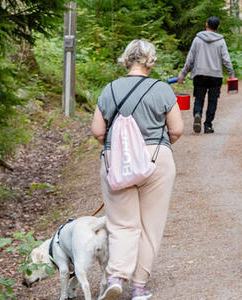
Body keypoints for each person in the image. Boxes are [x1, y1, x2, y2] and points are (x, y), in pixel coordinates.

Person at [91, 39, 184, 300]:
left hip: (116, 163)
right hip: (156, 160)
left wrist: (120, 147)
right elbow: (176, 129)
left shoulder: (109, 89)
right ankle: (140, 288)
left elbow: (98, 131)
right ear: (150, 60)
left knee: (121, 224)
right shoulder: (162, 89)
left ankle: (116, 277)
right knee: (150, 226)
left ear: (126, 59)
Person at [177, 16, 235, 134]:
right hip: (216, 76)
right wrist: (231, 74)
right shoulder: (220, 41)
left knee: (199, 98)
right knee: (213, 100)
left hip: (199, 74)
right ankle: (208, 125)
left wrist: (182, 74)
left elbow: (190, 59)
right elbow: (226, 59)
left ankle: (197, 114)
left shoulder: (198, 39)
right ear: (218, 27)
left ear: (206, 24)